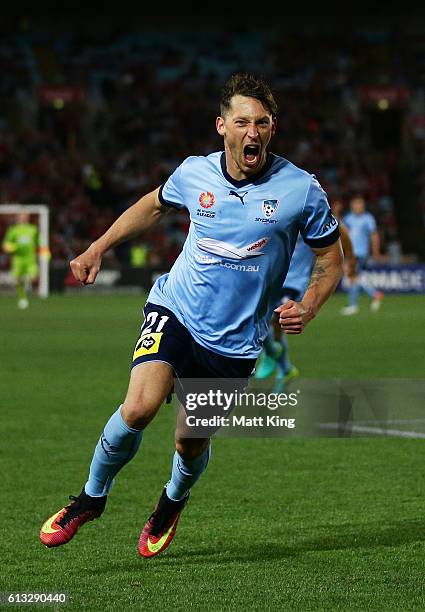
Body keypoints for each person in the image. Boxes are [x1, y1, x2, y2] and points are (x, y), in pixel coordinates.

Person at [40, 73, 343, 557]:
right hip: (176, 308)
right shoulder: (193, 173)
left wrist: (307, 307)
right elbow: (153, 206)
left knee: (188, 444)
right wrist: (98, 247)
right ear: (221, 126)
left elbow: (331, 261)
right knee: (137, 408)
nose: (253, 132)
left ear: (272, 128)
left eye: (262, 122)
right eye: (242, 121)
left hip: (235, 342)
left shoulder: (301, 190)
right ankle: (90, 500)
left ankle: (170, 502)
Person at [255, 208, 355, 383]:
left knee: (274, 319)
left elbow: (341, 232)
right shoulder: (272, 214)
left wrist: (351, 258)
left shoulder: (309, 212)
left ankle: (273, 353)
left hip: (294, 281)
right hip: (271, 278)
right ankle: (284, 365)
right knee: (257, 321)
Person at [340, 194, 384, 315]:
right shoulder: (348, 218)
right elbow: (344, 235)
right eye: (355, 204)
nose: (358, 206)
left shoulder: (368, 218)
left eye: (360, 204)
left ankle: (354, 304)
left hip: (361, 252)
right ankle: (374, 294)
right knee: (356, 277)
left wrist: (376, 251)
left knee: (352, 276)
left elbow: (374, 235)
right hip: (351, 252)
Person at [2, 211, 40, 309]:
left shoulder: (33, 229)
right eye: (21, 216)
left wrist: (44, 251)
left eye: (25, 216)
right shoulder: (13, 230)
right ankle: (22, 297)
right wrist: (11, 247)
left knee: (34, 279)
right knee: (17, 281)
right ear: (18, 218)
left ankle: (34, 294)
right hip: (18, 259)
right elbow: (6, 244)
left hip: (30, 258)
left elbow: (39, 242)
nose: (23, 218)